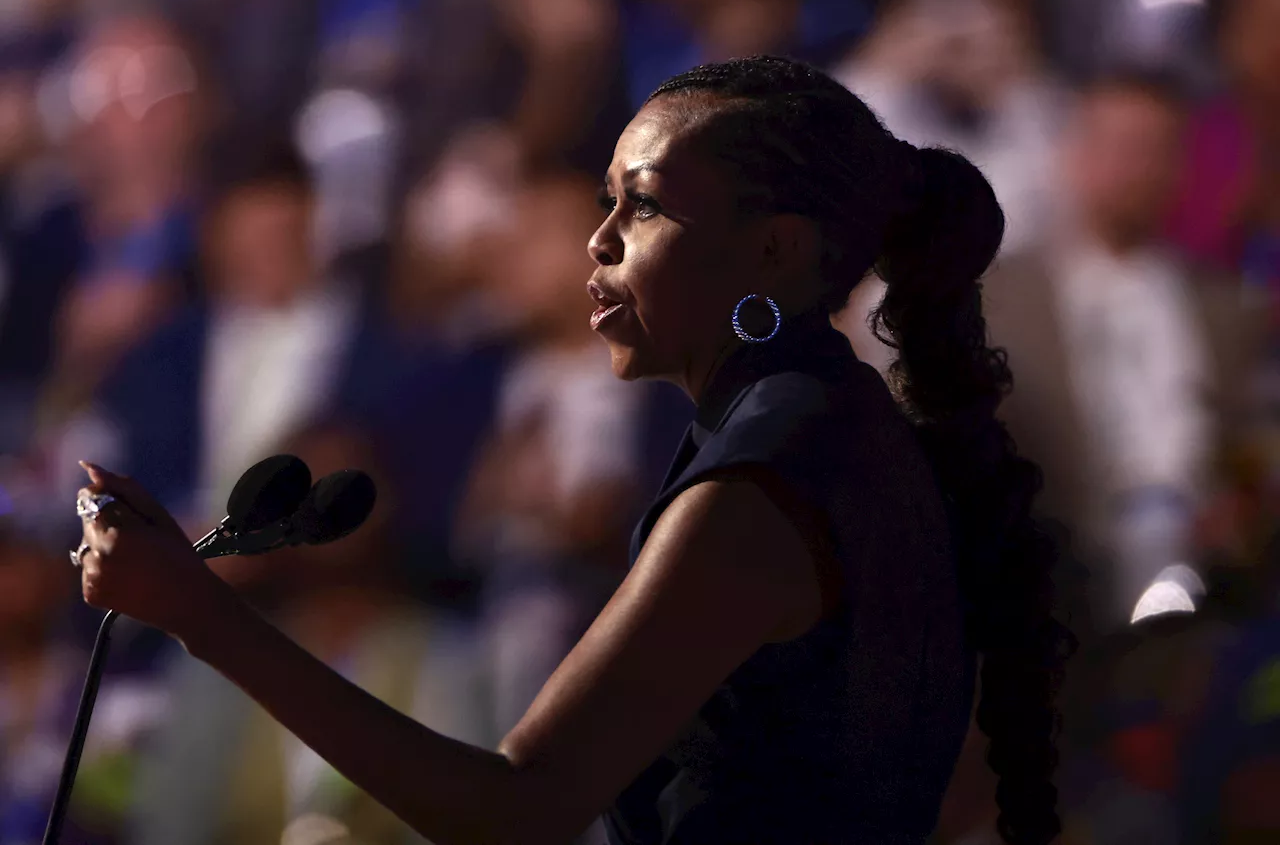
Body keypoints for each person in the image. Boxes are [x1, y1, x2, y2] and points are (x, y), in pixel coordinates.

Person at [70, 56, 1073, 845]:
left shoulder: (762, 489)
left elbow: (516, 809)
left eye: (640, 206)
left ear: (771, 251)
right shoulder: (821, 425)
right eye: (605, 201)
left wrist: (198, 613)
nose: (594, 241)